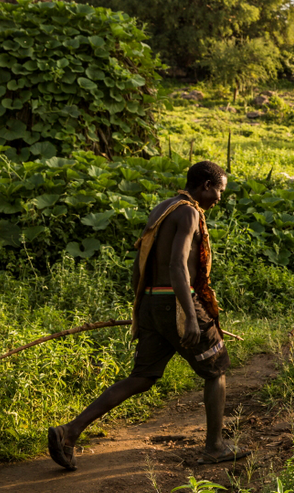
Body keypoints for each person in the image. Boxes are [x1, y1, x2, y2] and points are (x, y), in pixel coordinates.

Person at [48, 160, 248, 470]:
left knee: (142, 377)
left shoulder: (163, 208)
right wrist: (190, 316)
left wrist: (145, 308)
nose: (220, 198)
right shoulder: (188, 212)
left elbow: (139, 262)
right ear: (206, 185)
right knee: (216, 367)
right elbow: (178, 266)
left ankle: (69, 432)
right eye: (220, 191)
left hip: (154, 303)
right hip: (177, 303)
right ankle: (215, 446)